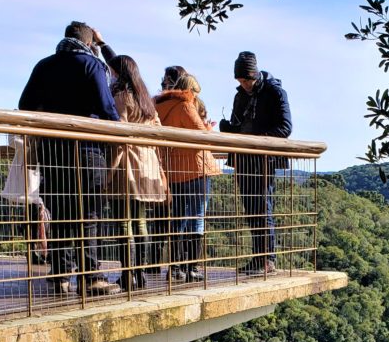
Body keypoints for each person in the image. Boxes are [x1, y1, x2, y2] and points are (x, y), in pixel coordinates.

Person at [18, 21, 121, 296]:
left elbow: (24, 104)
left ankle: (60, 275)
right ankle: (91, 277)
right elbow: (106, 107)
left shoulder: (44, 65)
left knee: (61, 214)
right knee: (88, 214)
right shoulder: (91, 65)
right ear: (90, 43)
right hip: (87, 150)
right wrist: (118, 127)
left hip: (52, 150)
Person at [218, 51, 292, 275]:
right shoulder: (240, 94)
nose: (244, 84)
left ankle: (267, 260)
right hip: (243, 159)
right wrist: (228, 129)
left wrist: (257, 141)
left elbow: (285, 127)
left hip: (264, 159)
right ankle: (257, 259)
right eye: (240, 80)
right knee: (251, 210)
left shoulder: (275, 92)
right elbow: (238, 124)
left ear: (255, 74)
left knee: (262, 208)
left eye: (246, 80)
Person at [106, 55, 167, 290]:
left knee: (123, 223)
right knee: (141, 221)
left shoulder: (121, 96)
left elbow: (119, 132)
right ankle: (140, 273)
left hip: (127, 164)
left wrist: (109, 171)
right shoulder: (147, 100)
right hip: (146, 163)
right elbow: (159, 130)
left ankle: (128, 273)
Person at [154, 70, 220, 283]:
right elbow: (201, 136)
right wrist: (209, 129)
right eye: (195, 92)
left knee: (178, 219)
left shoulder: (160, 106)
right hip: (195, 168)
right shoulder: (185, 105)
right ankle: (191, 267)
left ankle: (175, 268)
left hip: (174, 169)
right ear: (189, 90)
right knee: (197, 219)